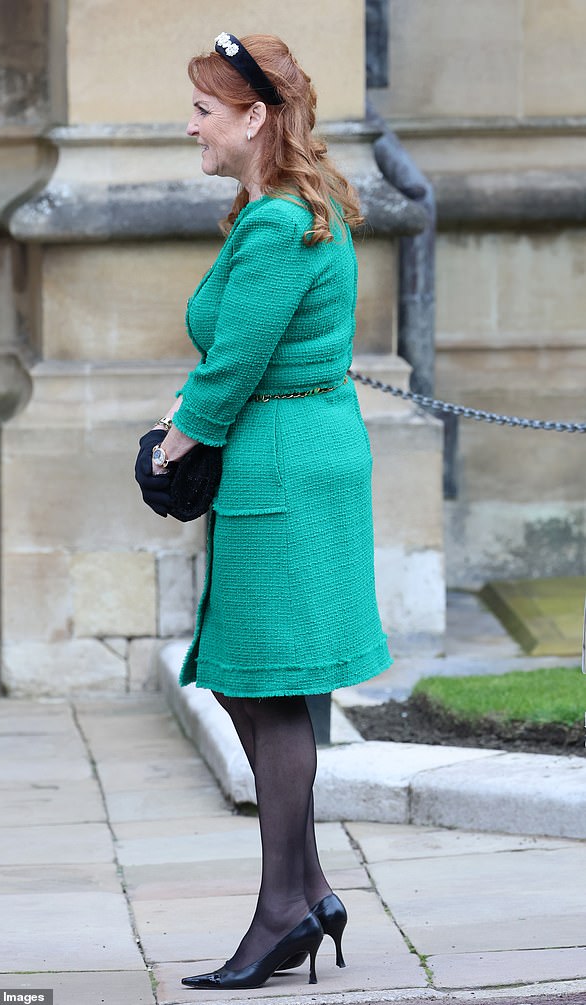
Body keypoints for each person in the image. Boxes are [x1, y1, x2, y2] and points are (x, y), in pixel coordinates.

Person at [148, 31, 392, 991]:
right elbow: (251, 350)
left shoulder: (277, 220)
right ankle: (312, 889)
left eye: (205, 109)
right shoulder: (295, 208)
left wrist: (174, 443)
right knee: (260, 676)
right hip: (296, 454)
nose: (193, 125)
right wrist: (185, 417)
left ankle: (284, 906)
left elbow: (238, 361)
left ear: (255, 117)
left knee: (262, 679)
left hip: (282, 468)